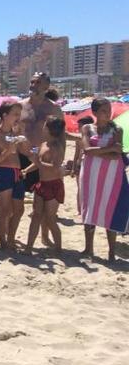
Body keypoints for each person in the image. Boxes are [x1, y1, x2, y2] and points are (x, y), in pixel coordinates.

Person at [78, 98, 127, 262]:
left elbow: (116, 156)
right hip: (91, 172)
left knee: (110, 208)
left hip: (112, 174)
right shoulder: (87, 128)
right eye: (104, 110)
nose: (108, 113)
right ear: (95, 113)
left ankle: (111, 252)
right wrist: (110, 148)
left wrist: (100, 151)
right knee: (89, 207)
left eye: (109, 109)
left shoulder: (117, 129)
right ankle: (88, 248)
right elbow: (86, 149)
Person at [0, 102, 35, 251]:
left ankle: (10, 238)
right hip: (3, 172)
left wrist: (23, 138)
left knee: (19, 209)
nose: (18, 117)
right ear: (5, 115)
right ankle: (3, 242)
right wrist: (8, 151)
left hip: (17, 172)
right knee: (3, 209)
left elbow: (26, 152)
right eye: (15, 114)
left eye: (18, 114)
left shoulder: (14, 134)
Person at [25, 117, 67, 255]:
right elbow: (37, 163)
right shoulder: (43, 144)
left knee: (50, 218)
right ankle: (29, 247)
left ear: (49, 129)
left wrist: (37, 163)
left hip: (54, 185)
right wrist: (26, 170)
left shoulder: (57, 147)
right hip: (42, 184)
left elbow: (55, 168)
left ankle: (58, 248)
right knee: (36, 215)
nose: (42, 128)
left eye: (45, 126)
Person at [19, 72, 64, 191]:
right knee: (17, 199)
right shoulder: (20, 106)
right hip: (21, 155)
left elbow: (61, 135)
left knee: (41, 198)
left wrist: (60, 157)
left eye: (38, 82)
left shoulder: (54, 108)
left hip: (42, 157)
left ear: (46, 86)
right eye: (32, 82)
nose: (33, 85)